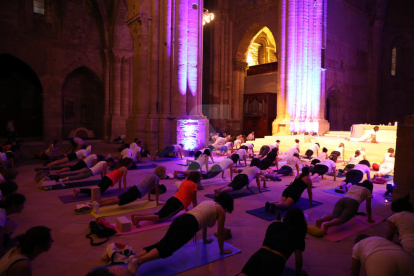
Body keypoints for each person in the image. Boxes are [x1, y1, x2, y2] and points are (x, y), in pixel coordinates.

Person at [127, 193, 234, 275]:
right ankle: (139, 262)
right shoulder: (221, 212)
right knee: (167, 249)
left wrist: (205, 239)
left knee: (163, 243)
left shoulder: (208, 202)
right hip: (190, 224)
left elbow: (205, 222)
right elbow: (220, 233)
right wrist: (221, 250)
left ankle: (135, 257)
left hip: (182, 218)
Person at [239, 207, 307, 276]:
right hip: (275, 261)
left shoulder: (274, 225)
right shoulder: (298, 233)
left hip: (259, 255)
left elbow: (264, 243)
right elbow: (298, 260)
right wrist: (298, 274)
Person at [131, 171, 200, 227]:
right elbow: (194, 201)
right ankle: (139, 218)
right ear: (197, 178)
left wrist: (186, 209)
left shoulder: (185, 181)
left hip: (173, 199)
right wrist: (195, 213)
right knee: (160, 217)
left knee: (157, 213)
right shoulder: (193, 185)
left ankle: (136, 215)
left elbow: (184, 194)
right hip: (179, 203)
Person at [91, 166, 166, 214]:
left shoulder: (151, 175)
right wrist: (157, 203)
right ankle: (99, 205)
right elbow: (156, 191)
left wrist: (149, 199)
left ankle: (97, 202)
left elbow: (149, 188)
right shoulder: (157, 178)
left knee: (117, 197)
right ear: (162, 173)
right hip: (137, 192)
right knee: (118, 200)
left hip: (135, 188)